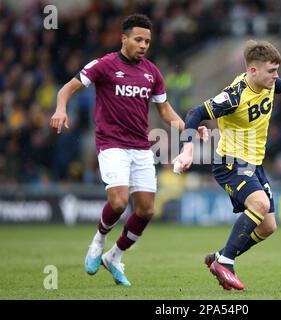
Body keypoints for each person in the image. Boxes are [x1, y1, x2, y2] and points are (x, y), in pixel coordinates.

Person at [50, 14, 207, 287]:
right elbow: (68, 87)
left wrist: (189, 128)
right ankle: (98, 242)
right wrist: (61, 109)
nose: (143, 44)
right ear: (124, 39)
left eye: (147, 40)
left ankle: (115, 256)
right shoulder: (105, 65)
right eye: (138, 39)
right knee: (119, 202)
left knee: (146, 211)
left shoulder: (152, 73)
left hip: (141, 147)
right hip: (111, 145)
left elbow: (165, 110)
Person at [174, 40, 281, 290]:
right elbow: (194, 114)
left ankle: (219, 256)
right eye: (271, 71)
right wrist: (188, 150)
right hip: (230, 162)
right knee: (260, 204)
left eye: (277, 71)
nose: (276, 76)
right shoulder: (234, 95)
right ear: (253, 71)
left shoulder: (267, 83)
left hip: (254, 163)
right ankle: (226, 263)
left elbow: (278, 85)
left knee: (268, 227)